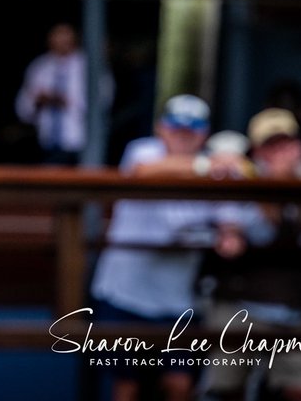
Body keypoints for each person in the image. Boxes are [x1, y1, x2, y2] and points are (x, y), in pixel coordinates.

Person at [200, 108, 301, 401]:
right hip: (238, 305)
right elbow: (247, 233)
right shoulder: (240, 176)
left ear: (299, 146)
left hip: (289, 307)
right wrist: (275, 190)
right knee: (226, 391)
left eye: (286, 143)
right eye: (271, 145)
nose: (280, 152)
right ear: (257, 150)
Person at [90, 94, 216, 401]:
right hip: (124, 296)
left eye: (193, 128)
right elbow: (144, 171)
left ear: (205, 133)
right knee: (127, 389)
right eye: (176, 126)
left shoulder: (216, 168)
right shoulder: (144, 150)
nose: (183, 134)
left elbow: (231, 224)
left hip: (178, 302)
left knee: (179, 386)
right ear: (161, 128)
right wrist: (209, 165)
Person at [15, 22, 113, 164]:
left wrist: (66, 101)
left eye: (66, 36)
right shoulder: (40, 67)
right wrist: (39, 101)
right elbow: (23, 108)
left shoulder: (91, 66)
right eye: (57, 36)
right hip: (46, 142)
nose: (62, 41)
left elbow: (103, 102)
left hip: (81, 142)